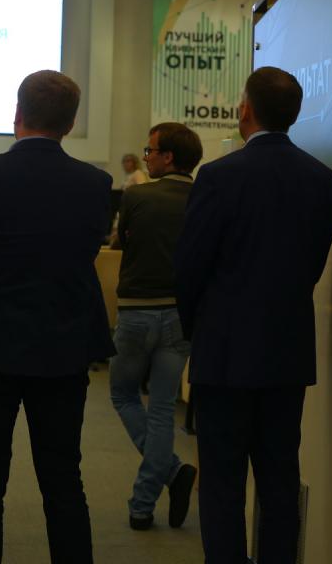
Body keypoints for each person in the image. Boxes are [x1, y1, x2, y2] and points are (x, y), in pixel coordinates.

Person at [174, 67, 332, 564]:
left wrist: (196, 330)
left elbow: (190, 267)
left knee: (222, 482)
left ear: (245, 110)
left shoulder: (219, 176)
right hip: (287, 351)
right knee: (280, 479)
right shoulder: (321, 178)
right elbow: (313, 265)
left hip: (223, 352)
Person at [0, 70, 113, 564]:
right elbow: (89, 248)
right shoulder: (95, 183)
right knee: (63, 480)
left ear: (17, 115)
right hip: (63, 349)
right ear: (70, 124)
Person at [110, 122, 202, 532]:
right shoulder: (204, 198)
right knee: (163, 408)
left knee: (123, 394)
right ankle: (143, 505)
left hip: (136, 311)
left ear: (168, 157)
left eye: (149, 151)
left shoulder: (137, 195)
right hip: (181, 314)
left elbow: (123, 244)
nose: (145, 157)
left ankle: (170, 475)